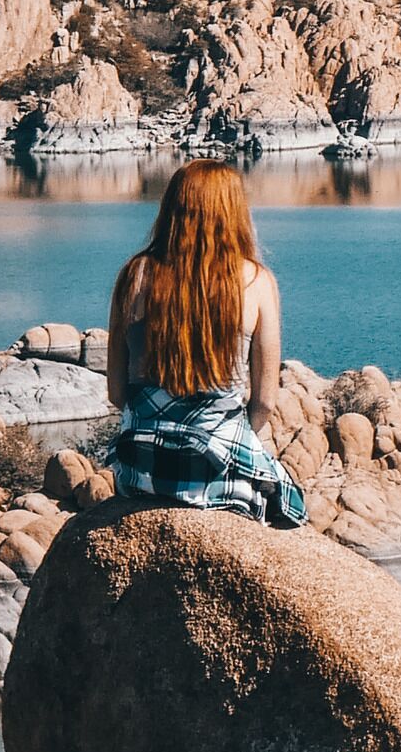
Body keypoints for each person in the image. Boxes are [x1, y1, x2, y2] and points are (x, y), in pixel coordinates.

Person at [105, 160, 307, 528]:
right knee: (289, 503)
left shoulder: (134, 274)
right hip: (217, 475)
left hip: (141, 470)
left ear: (172, 208)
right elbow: (264, 401)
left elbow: (117, 393)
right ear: (233, 211)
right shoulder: (256, 281)